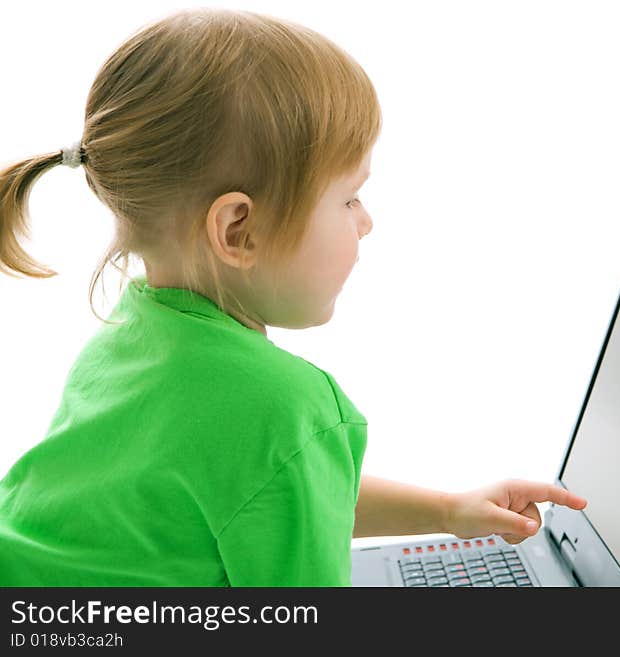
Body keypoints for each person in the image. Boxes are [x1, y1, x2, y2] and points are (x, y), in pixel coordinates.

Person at [0, 8, 586, 586]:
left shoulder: (132, 334)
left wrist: (446, 511)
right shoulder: (283, 407)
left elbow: (261, 496)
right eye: (349, 199)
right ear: (238, 231)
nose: (367, 222)